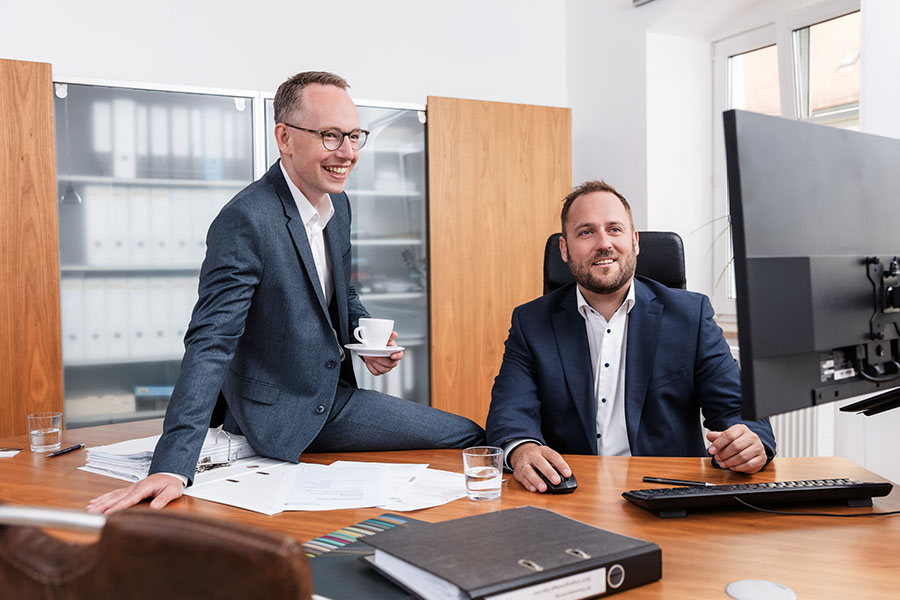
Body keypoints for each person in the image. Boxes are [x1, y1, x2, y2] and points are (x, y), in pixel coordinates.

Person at [88, 71, 484, 513]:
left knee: (460, 440)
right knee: (468, 436)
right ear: (285, 137)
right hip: (287, 411)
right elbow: (211, 342)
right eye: (331, 136)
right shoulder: (247, 219)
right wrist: (172, 465)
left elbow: (337, 296)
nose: (348, 153)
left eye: (354, 136)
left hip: (330, 389)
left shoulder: (338, 204)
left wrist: (365, 339)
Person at [485, 180, 775, 493]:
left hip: (667, 494)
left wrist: (750, 441)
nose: (603, 243)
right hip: (570, 493)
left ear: (634, 242)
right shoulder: (531, 322)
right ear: (564, 249)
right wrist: (523, 450)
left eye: (614, 229)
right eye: (586, 232)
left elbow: (738, 410)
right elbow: (510, 410)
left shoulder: (690, 316)